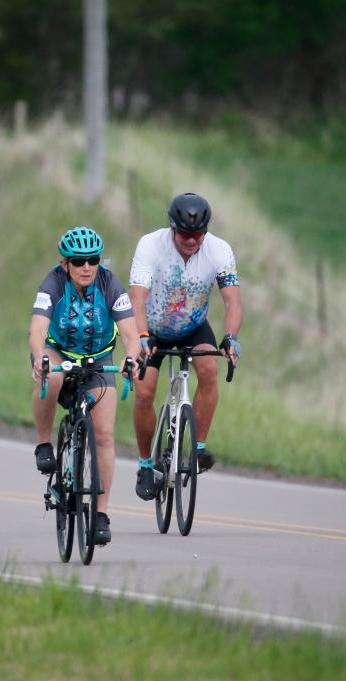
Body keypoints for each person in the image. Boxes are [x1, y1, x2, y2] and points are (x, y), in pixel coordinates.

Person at [129, 192, 243, 501]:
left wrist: (230, 336)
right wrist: (140, 336)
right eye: (185, 234)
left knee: (208, 369)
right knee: (144, 391)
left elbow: (232, 302)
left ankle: (198, 449)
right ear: (171, 227)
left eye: (198, 234)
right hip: (151, 329)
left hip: (192, 327)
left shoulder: (220, 251)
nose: (192, 240)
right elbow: (137, 298)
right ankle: (145, 464)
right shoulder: (150, 245)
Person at [29, 226, 139, 546]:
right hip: (58, 351)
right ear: (66, 264)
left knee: (104, 434)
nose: (87, 267)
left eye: (93, 259)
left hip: (98, 358)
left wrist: (131, 359)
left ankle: (101, 515)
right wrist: (40, 359)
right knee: (52, 376)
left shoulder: (109, 283)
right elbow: (37, 331)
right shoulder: (52, 283)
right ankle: (43, 444)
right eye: (79, 261)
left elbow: (131, 335)